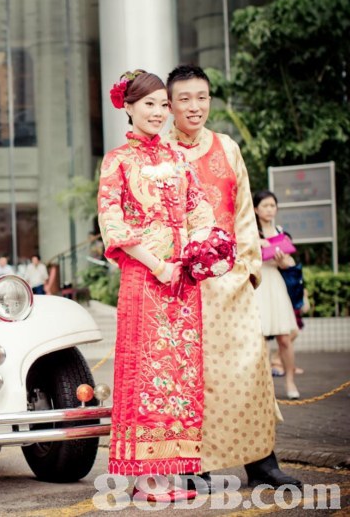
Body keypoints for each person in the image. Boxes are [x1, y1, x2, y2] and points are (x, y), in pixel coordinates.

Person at [165, 64, 301, 489]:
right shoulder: (158, 153)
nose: (194, 106)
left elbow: (243, 212)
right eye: (184, 98)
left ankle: (261, 463)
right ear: (169, 105)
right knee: (189, 377)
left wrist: (246, 271)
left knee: (248, 372)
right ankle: (193, 465)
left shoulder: (227, 147)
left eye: (201, 97)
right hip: (182, 287)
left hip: (232, 285)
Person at [98, 69, 223, 501]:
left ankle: (170, 473)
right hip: (145, 279)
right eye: (148, 104)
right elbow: (112, 223)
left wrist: (204, 250)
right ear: (128, 107)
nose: (158, 112)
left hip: (183, 280)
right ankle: (143, 477)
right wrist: (157, 264)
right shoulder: (118, 160)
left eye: (162, 105)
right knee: (147, 372)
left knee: (181, 375)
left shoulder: (178, 157)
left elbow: (200, 208)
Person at [253, 190, 300, 400]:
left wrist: (282, 261)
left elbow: (289, 263)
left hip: (276, 283)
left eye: (273, 205)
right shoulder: (250, 232)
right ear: (255, 209)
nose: (270, 209)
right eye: (265, 205)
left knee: (284, 338)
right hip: (257, 285)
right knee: (259, 338)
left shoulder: (282, 232)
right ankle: (263, 386)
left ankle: (290, 381)